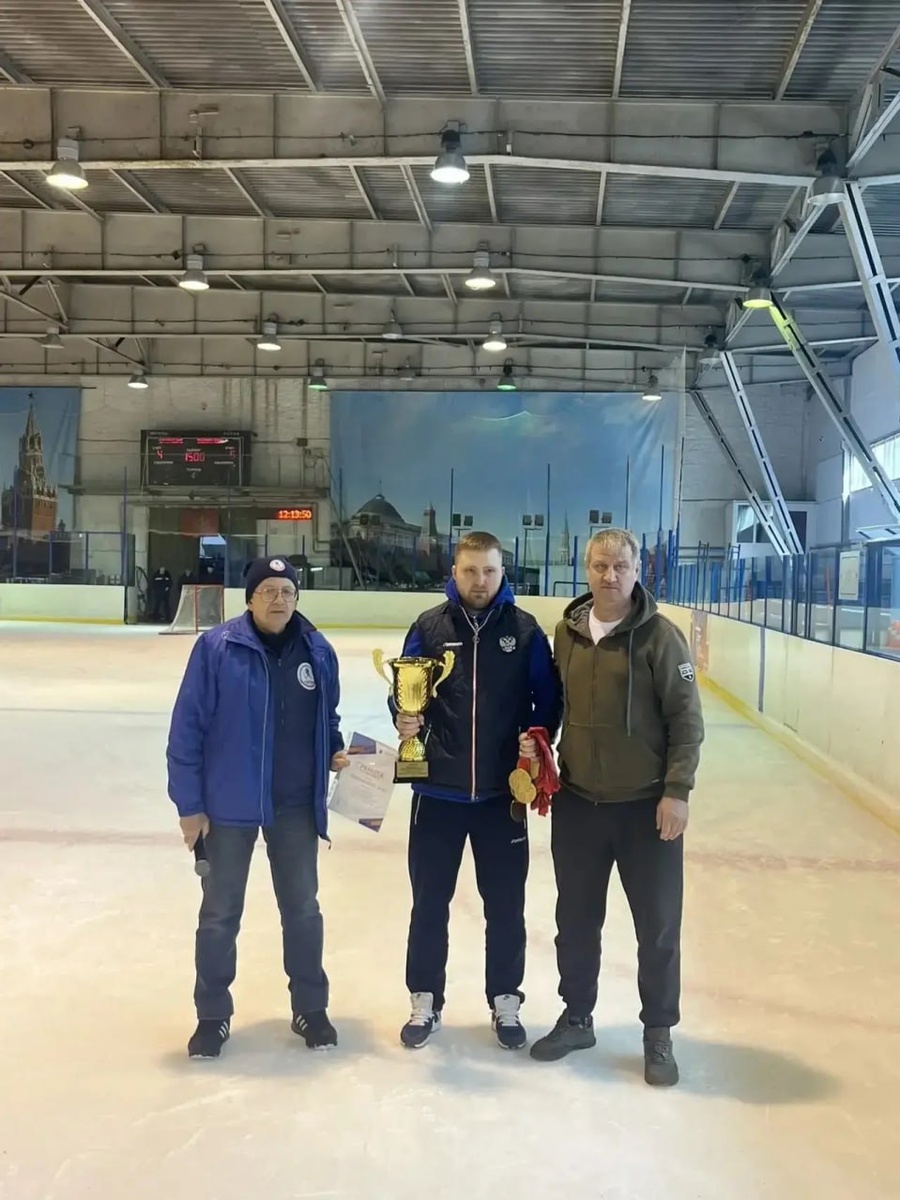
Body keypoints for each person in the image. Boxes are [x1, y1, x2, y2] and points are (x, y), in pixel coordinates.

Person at [528, 528, 704, 1085]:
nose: (610, 576)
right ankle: (577, 1017)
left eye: (621, 566)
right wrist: (536, 747)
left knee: (657, 927)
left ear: (636, 571)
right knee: (576, 922)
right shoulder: (567, 632)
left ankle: (659, 1032)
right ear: (587, 569)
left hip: (646, 808)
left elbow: (686, 720)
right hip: (579, 803)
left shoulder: (660, 637)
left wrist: (677, 791)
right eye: (601, 566)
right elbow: (556, 705)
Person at [166, 556, 348, 1059]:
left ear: (297, 598)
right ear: (249, 598)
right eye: (267, 590)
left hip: (295, 805)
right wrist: (190, 805)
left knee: (303, 910)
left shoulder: (318, 651)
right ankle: (212, 1015)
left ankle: (310, 1008)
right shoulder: (216, 648)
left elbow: (328, 717)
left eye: (286, 591)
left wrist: (333, 750)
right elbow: (186, 729)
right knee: (219, 914)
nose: (278, 599)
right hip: (229, 805)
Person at [391, 531, 562, 1050]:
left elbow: (548, 699)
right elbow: (404, 690)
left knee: (505, 906)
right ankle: (425, 999)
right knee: (428, 905)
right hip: (436, 795)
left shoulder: (525, 632)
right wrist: (403, 718)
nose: (479, 580)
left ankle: (506, 1001)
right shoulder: (428, 627)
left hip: (500, 798)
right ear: (454, 572)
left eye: (489, 570)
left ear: (502, 572)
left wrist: (537, 738)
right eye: (470, 571)